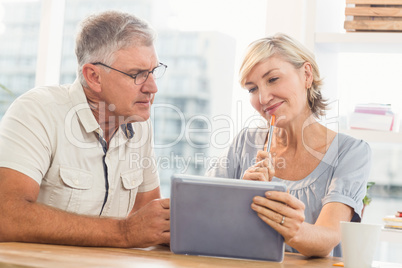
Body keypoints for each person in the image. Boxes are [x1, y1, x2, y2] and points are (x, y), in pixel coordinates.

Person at [0, 10, 170, 248]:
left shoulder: (138, 125)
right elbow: (6, 216)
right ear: (94, 77)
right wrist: (123, 232)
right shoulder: (37, 111)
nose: (152, 87)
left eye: (153, 72)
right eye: (137, 75)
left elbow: (148, 217)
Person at [206, 33, 371, 257]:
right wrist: (240, 196)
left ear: (306, 74)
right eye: (252, 89)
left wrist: (292, 227)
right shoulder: (244, 143)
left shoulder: (351, 152)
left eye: (272, 79)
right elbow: (202, 216)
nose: (263, 98)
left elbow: (327, 238)